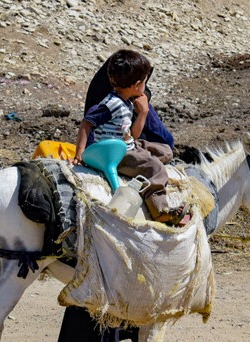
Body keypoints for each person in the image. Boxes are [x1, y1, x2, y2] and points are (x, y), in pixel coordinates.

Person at [58, 50, 181, 342]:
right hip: (118, 157)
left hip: (129, 147)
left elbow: (147, 133)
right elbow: (94, 125)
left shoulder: (128, 96)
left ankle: (143, 339)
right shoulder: (111, 99)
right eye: (142, 82)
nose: (144, 87)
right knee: (117, 255)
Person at [70, 49, 187, 225]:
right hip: (115, 152)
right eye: (145, 83)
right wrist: (80, 153)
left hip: (127, 143)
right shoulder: (111, 104)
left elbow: (133, 134)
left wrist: (143, 113)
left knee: (165, 151)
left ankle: (143, 163)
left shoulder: (127, 102)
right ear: (138, 85)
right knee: (155, 168)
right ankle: (160, 210)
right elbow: (87, 123)